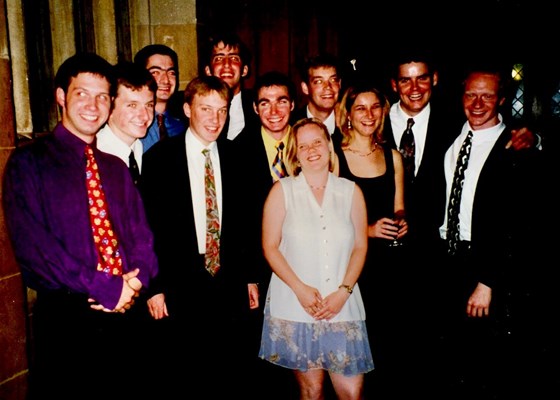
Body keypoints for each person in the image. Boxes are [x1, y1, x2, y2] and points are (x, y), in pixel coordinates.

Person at [2, 53, 159, 400]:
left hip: (127, 314)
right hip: (68, 319)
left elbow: (142, 238)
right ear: (61, 96)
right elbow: (36, 249)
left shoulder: (115, 168)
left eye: (102, 96)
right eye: (82, 93)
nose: (94, 104)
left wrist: (133, 283)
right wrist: (105, 287)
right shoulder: (29, 163)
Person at [140, 75, 260, 398]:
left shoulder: (239, 156)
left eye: (221, 110)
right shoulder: (159, 159)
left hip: (228, 279)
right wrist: (154, 287)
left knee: (230, 371)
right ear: (187, 108)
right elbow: (148, 229)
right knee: (184, 374)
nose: (214, 119)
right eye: (205, 109)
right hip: (180, 281)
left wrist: (250, 278)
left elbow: (247, 223)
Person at [435, 62, 544, 400]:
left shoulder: (516, 150)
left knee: (487, 365)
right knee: (450, 363)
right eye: (471, 94)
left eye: (487, 96)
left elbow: (520, 227)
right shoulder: (450, 136)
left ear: (500, 100)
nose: (478, 103)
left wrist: (487, 281)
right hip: (447, 261)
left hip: (487, 269)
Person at [259, 117, 374, 400]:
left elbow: (360, 246)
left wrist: (343, 291)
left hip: (342, 305)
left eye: (317, 142)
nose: (312, 150)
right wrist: (300, 290)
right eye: (303, 146)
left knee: (352, 393)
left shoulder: (351, 192)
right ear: (294, 154)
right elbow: (270, 247)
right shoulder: (281, 191)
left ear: (328, 146)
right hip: (296, 308)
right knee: (311, 393)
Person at [334, 83, 409, 397]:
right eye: (360, 107)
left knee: (391, 352)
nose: (368, 114)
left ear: (383, 111)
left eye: (375, 107)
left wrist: (402, 221)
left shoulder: (392, 156)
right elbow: (327, 222)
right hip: (354, 267)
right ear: (348, 114)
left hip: (391, 266)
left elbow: (399, 205)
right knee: (359, 354)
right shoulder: (335, 157)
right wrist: (368, 230)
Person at [97, 61, 157, 185]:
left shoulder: (139, 148)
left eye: (149, 105)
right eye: (132, 105)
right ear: (109, 106)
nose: (145, 115)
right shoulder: (95, 156)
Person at [203, 30, 257, 140]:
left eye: (233, 58)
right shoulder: (194, 107)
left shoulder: (259, 105)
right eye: (219, 58)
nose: (227, 64)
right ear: (208, 71)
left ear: (244, 70)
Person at [134, 44, 187, 153]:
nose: (166, 80)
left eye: (171, 73)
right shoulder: (134, 123)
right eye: (155, 72)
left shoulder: (182, 125)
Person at [291, 53, 344, 144]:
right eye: (318, 81)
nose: (328, 87)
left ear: (339, 84)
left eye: (333, 80)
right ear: (305, 88)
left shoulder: (350, 124)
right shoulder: (291, 126)